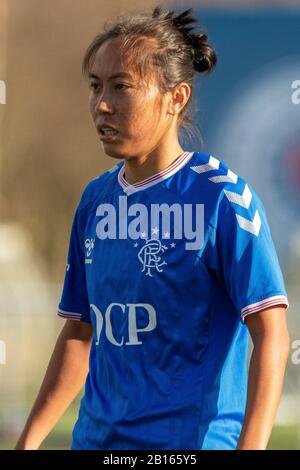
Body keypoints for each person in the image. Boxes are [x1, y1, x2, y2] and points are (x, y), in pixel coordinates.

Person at [15, 5, 290, 451]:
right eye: (95, 86)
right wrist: (27, 442)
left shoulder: (223, 198)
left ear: (176, 98)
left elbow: (272, 335)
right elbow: (80, 332)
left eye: (121, 86)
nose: (102, 104)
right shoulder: (95, 201)